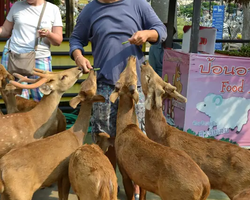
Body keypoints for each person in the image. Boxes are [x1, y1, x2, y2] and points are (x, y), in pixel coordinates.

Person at [69, 0, 167, 199]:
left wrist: (147, 34)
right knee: (106, 141)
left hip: (133, 88)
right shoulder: (91, 8)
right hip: (105, 87)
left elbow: (161, 31)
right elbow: (76, 40)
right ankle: (110, 184)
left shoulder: (138, 4)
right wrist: (78, 57)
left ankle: (137, 188)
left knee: (136, 141)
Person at [0, 0, 63, 101]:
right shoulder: (17, 5)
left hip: (39, 58)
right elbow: (5, 30)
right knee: (17, 101)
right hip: (13, 57)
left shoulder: (53, 9)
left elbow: (58, 41)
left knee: (43, 99)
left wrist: (48, 34)